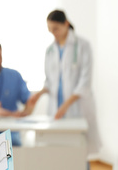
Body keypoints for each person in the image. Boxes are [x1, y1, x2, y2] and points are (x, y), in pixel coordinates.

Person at [31, 9, 101, 156]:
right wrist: (40, 93)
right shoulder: (50, 50)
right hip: (56, 108)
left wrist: (66, 105)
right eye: (50, 29)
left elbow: (85, 83)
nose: (53, 33)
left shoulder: (83, 45)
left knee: (79, 153)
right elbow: (50, 81)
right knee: (59, 152)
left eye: (56, 28)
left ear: (66, 24)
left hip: (76, 108)